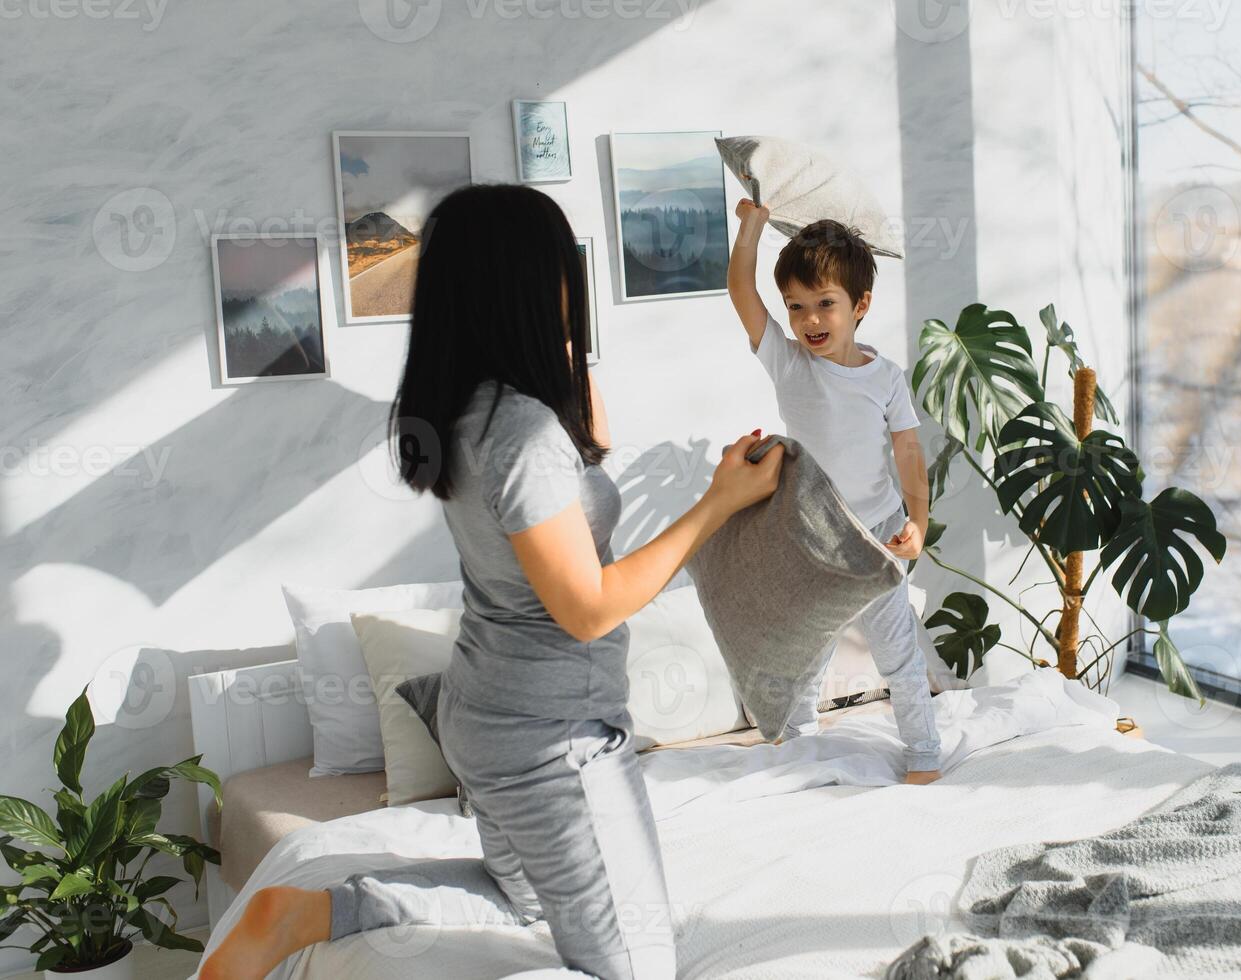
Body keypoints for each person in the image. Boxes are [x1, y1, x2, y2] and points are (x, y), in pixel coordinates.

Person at [200, 184, 784, 980]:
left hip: (486, 717)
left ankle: (317, 909)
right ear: (525, 283)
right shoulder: (524, 432)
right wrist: (717, 502)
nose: (572, 280)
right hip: (557, 740)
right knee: (642, 965)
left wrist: (571, 389)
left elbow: (567, 485)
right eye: (560, 266)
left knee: (530, 903)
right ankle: (317, 909)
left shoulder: (465, 409)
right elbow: (587, 609)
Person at [727, 201, 941, 785]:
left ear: (860, 305)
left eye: (825, 303)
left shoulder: (886, 378)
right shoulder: (791, 364)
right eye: (796, 306)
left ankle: (923, 751)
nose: (808, 319)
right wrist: (750, 228)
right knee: (805, 649)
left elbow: (908, 454)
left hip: (875, 537)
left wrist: (916, 522)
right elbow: (742, 292)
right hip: (814, 537)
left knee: (897, 650)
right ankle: (794, 744)